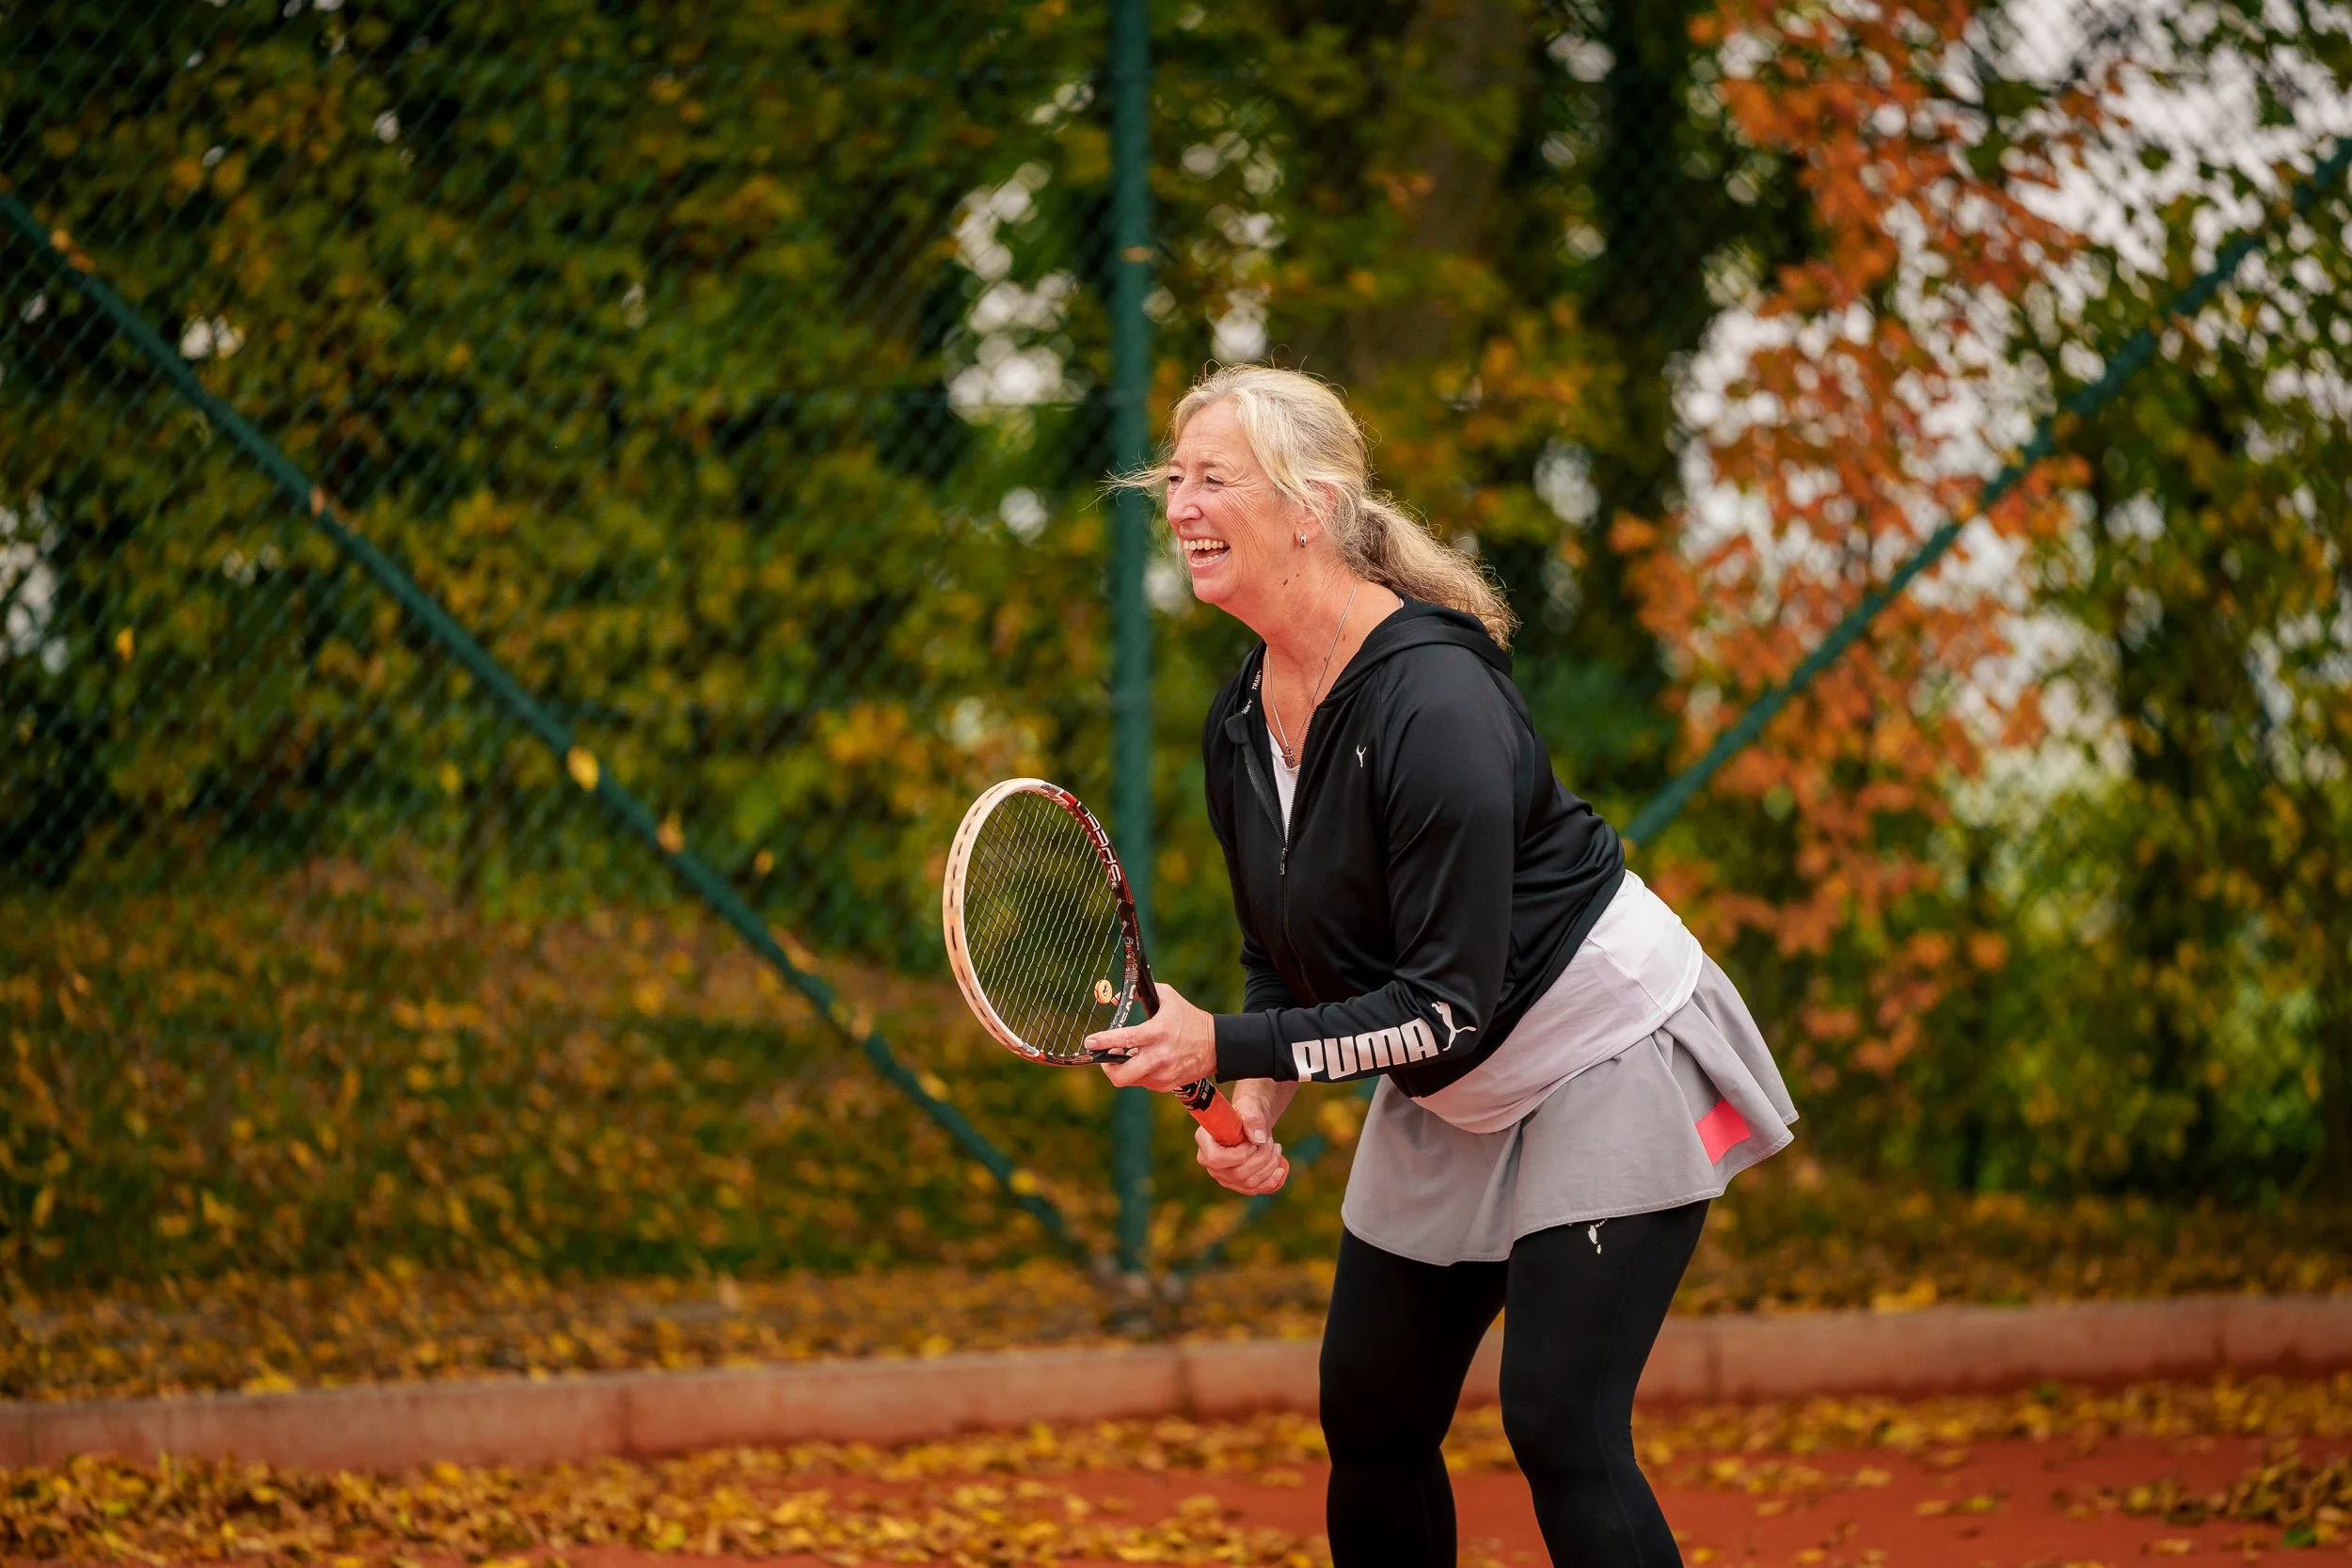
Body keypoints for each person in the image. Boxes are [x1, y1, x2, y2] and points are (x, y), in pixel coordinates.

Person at [1088, 365, 1798, 1568]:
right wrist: (1257, 1088)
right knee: (1371, 1411)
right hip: (1456, 1067)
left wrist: (1227, 1043)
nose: (1181, 505)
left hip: (1600, 1047)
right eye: (1175, 477)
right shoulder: (1242, 716)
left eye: (1214, 478)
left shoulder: (1435, 702)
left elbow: (1441, 1008)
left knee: (1560, 1420)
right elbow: (1284, 952)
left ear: (1310, 506)